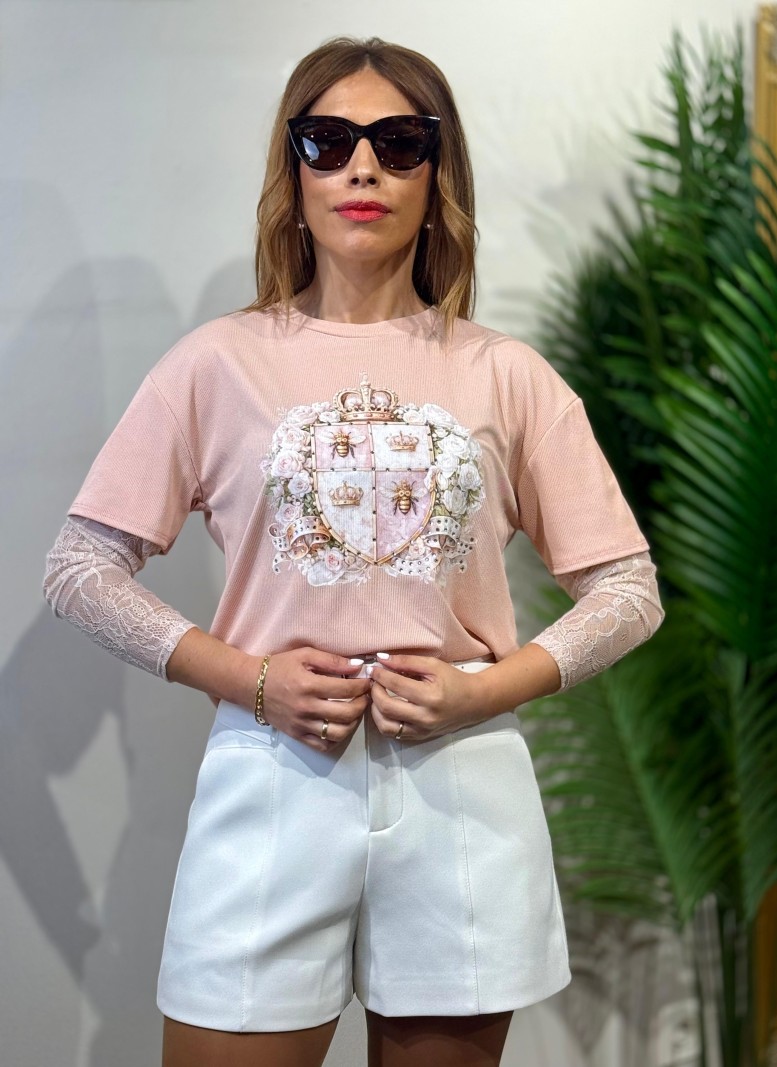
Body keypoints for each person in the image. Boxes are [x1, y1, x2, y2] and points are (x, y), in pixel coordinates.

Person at [43, 36, 664, 1067]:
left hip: (462, 786)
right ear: (292, 176)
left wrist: (485, 688)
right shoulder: (215, 364)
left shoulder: (507, 375)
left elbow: (628, 587)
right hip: (273, 772)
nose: (362, 167)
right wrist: (249, 679)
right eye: (327, 142)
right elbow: (79, 568)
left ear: (437, 176)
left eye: (398, 142)